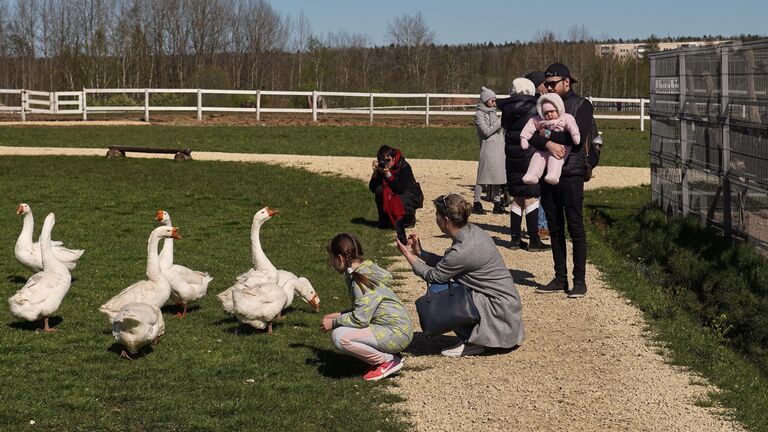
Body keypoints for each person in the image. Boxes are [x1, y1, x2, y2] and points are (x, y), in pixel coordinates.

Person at [396, 193, 525, 357]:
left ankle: (474, 340)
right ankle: (477, 335)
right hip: (505, 306)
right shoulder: (473, 232)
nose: (435, 219)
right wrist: (421, 253)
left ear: (446, 220)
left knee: (438, 291)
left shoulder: (463, 249)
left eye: (437, 215)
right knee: (448, 288)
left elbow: (435, 276)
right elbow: (449, 265)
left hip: (498, 310)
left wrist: (409, 256)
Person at [528, 63, 594, 298]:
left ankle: (579, 281)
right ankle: (559, 277)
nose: (549, 88)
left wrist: (545, 134)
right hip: (548, 175)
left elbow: (574, 139)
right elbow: (528, 135)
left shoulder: (582, 106)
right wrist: (546, 142)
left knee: (575, 226)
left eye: (553, 83)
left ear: (567, 82)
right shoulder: (544, 105)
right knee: (555, 228)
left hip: (572, 174)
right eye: (547, 84)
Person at [322, 233, 414, 381]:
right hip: (399, 328)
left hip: (395, 333)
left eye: (331, 259)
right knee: (342, 331)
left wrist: (333, 322)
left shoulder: (359, 280)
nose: (331, 263)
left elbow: (360, 319)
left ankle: (386, 360)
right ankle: (389, 355)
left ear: (340, 258)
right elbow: (365, 309)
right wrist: (339, 314)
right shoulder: (366, 270)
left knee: (340, 337)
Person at [497, 77, 550, 252]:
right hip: (530, 155)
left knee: (518, 198)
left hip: (512, 156)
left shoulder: (507, 109)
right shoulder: (535, 107)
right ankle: (534, 239)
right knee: (531, 197)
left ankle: (514, 239)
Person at [519, 93, 581, 185]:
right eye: (546, 113)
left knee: (555, 158)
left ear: (558, 109)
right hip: (543, 147)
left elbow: (572, 126)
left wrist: (575, 135)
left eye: (552, 111)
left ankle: (553, 175)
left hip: (561, 146)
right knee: (537, 157)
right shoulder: (539, 120)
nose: (549, 115)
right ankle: (531, 175)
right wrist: (523, 138)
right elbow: (529, 127)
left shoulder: (565, 118)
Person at [369, 145, 423, 230]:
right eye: (383, 161)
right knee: (380, 190)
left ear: (394, 158)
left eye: (388, 160)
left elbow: (400, 190)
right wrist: (376, 173)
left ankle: (408, 220)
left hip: (409, 196)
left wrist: (388, 175)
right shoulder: (382, 168)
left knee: (399, 197)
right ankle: (384, 220)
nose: (386, 163)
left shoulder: (404, 166)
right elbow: (372, 188)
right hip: (398, 193)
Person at [472, 86, 507, 215]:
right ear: (485, 100)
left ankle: (497, 203)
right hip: (487, 148)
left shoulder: (493, 113)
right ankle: (476, 202)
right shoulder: (478, 115)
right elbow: (486, 131)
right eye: (492, 100)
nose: (494, 103)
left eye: (494, 100)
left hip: (499, 148)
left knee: (497, 176)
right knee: (482, 177)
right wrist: (501, 121)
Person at [525, 71, 550, 241]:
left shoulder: (531, 102)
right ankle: (541, 226)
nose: (548, 86)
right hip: (536, 151)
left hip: (530, 151)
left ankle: (540, 225)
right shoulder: (536, 104)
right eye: (544, 83)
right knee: (538, 191)